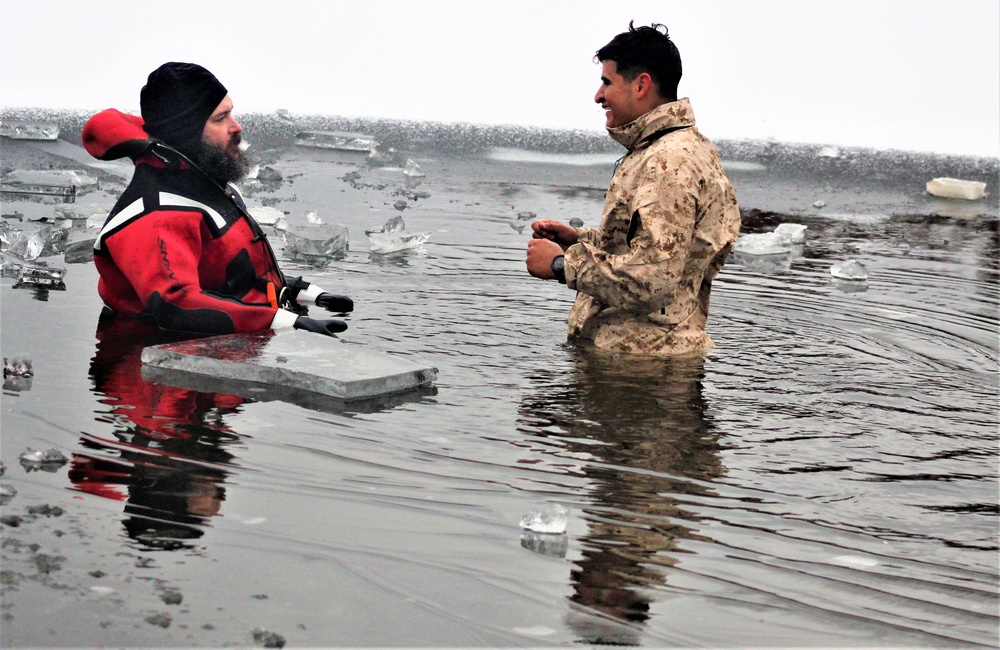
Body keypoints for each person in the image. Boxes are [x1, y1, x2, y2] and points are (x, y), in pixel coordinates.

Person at [82, 62, 352, 337]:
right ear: (185, 131)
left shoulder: (208, 188)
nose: (237, 127)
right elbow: (176, 305)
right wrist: (285, 321)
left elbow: (232, 279)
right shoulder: (154, 216)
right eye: (220, 118)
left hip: (227, 355)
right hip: (158, 368)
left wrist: (304, 293)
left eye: (231, 113)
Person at [525, 23, 740, 355]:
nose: (598, 96)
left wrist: (562, 265)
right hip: (637, 361)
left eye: (607, 82)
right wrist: (580, 240)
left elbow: (654, 277)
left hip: (643, 373)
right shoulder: (667, 149)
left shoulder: (670, 162)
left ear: (641, 85)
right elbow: (654, 249)